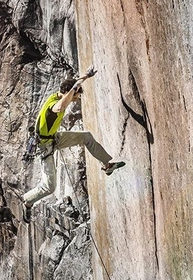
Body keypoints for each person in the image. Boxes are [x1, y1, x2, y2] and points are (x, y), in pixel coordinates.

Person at [22, 65, 125, 223]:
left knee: (86, 137)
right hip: (45, 147)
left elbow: (69, 86)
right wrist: (75, 88)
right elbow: (62, 105)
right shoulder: (54, 106)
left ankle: (107, 165)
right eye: (75, 96)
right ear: (69, 94)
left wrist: (85, 77)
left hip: (53, 138)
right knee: (50, 187)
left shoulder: (57, 95)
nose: (76, 99)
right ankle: (28, 201)